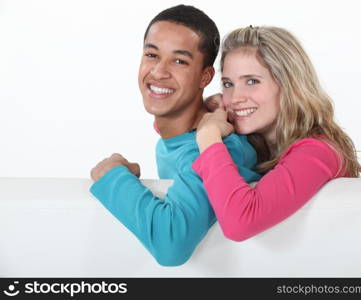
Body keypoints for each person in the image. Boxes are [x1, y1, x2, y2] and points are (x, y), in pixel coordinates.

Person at [89, 6, 260, 266]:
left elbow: (171, 245)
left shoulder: (214, 150)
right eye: (151, 54)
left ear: (205, 76)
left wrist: (111, 174)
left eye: (179, 61)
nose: (158, 71)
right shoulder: (181, 131)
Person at [193, 26, 361, 242]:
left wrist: (208, 138)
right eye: (228, 84)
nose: (235, 97)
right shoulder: (251, 145)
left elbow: (239, 223)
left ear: (289, 85)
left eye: (252, 81)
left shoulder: (319, 152)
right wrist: (203, 111)